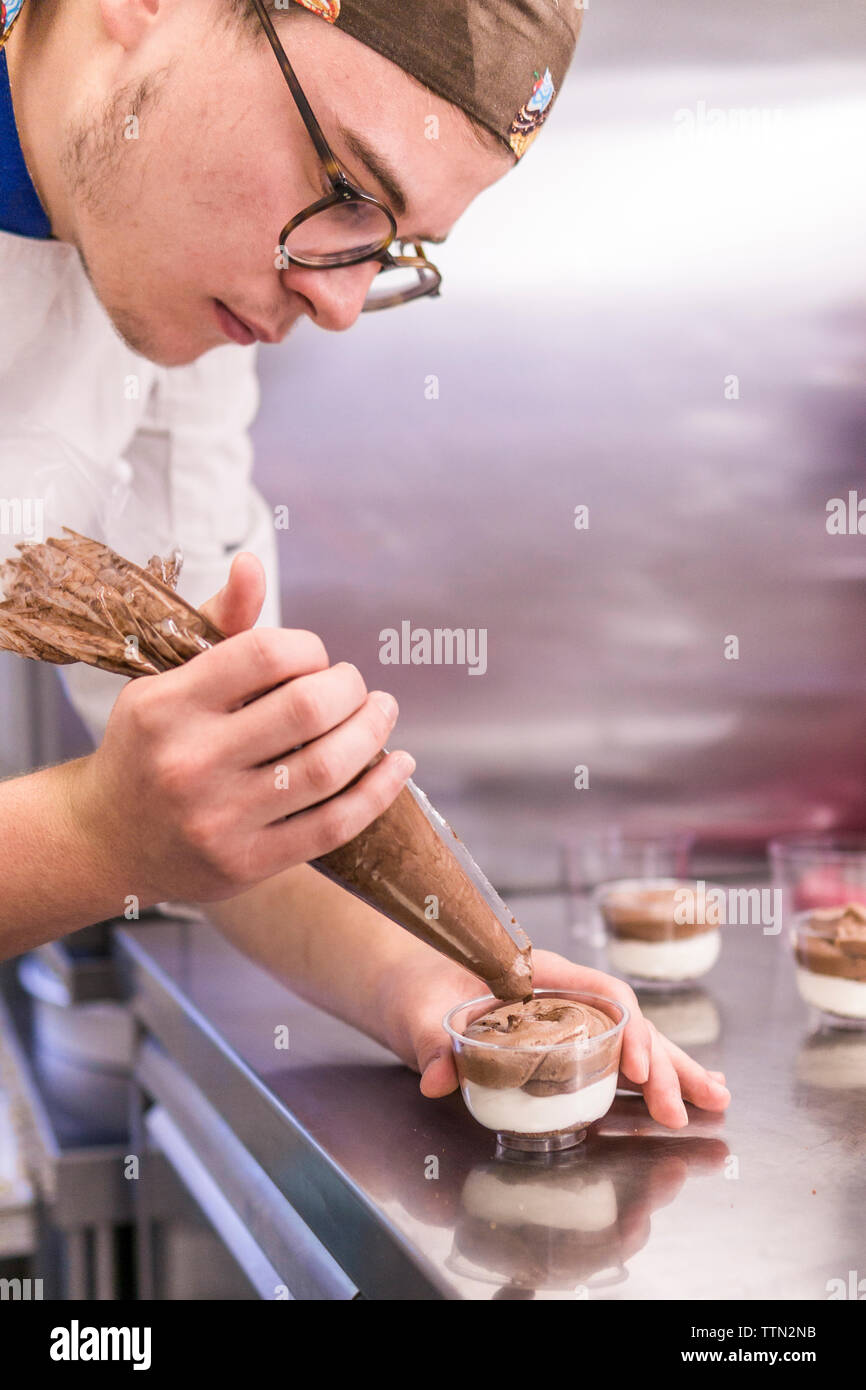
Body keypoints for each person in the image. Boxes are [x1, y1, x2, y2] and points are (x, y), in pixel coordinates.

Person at [0, 0, 730, 1126]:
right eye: (344, 186)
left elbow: (229, 807)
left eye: (389, 248)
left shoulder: (167, 294)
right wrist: (94, 839)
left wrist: (423, 983)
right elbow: (133, 826)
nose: (337, 302)